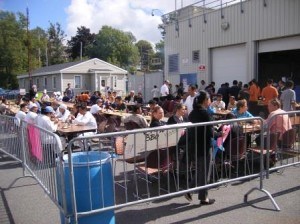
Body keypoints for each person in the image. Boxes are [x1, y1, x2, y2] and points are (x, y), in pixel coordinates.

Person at [184, 90, 215, 205]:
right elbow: (210, 132)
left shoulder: (193, 113)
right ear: (205, 100)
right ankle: (202, 197)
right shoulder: (205, 113)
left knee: (201, 171)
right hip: (204, 146)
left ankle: (192, 192)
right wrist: (219, 133)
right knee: (205, 172)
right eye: (209, 99)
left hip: (195, 146)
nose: (210, 101)